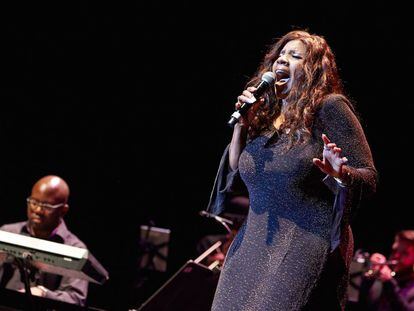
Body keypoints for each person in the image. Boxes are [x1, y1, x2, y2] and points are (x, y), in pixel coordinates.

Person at [206, 29, 377, 310]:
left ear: (312, 70)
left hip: (302, 242)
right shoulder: (267, 114)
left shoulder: (329, 107)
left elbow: (368, 176)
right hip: (251, 243)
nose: (282, 61)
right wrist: (242, 126)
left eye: (294, 56)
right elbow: (238, 171)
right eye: (280, 55)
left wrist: (340, 174)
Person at [0, 175, 88, 306]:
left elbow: (75, 299)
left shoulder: (75, 248)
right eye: (34, 202)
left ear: (63, 210)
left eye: (46, 206)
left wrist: (43, 293)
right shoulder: (8, 233)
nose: (37, 210)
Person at [357, 230, 414, 310]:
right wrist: (370, 277)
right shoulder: (386, 277)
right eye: (395, 250)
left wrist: (389, 282)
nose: (396, 256)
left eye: (404, 253)